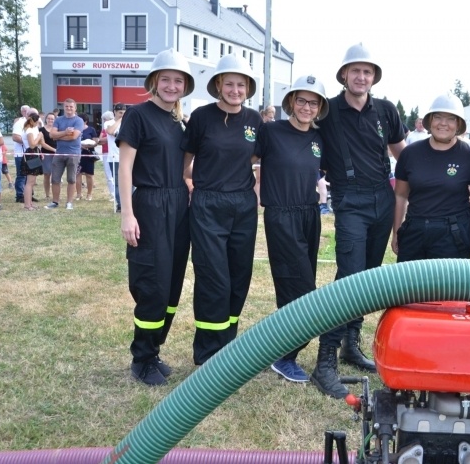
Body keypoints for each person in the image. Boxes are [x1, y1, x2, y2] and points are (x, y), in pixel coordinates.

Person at [311, 43, 405, 399]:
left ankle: (351, 344)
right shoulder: (327, 110)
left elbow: (403, 158)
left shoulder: (385, 110)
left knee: (368, 279)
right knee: (348, 279)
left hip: (382, 196)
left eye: (368, 72)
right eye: (356, 71)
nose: (361, 77)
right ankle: (325, 362)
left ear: (373, 78)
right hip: (349, 200)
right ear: (344, 75)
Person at [117, 49, 194, 386]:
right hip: (149, 204)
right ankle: (141, 359)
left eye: (178, 80)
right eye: (165, 79)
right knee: (152, 284)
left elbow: (184, 167)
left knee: (172, 285)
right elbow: (125, 167)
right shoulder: (137, 115)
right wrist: (128, 215)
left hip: (179, 205)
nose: (171, 85)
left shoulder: (180, 122)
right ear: (154, 82)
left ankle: (155, 350)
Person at [182, 53, 261, 366]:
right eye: (229, 83)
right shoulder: (202, 117)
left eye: (241, 84)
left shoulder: (255, 121)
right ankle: (207, 354)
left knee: (239, 276)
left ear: (248, 88)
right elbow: (185, 158)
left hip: (243, 206)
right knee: (214, 278)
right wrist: (187, 183)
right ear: (218, 84)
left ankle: (228, 348)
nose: (235, 90)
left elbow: (261, 158)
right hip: (208, 205)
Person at [255, 75, 328, 383]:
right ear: (290, 103)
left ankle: (281, 348)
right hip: (281, 215)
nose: (306, 107)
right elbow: (240, 158)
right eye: (301, 100)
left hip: (310, 214)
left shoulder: (319, 138)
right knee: (298, 288)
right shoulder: (271, 131)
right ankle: (284, 355)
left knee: (303, 282)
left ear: (320, 107)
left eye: (313, 102)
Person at [391, 93, 470, 262]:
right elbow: (401, 194)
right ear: (429, 121)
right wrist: (396, 231)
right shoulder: (411, 153)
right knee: (409, 286)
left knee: (448, 287)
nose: (443, 123)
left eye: (451, 119)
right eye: (438, 117)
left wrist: (464, 202)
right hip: (414, 230)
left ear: (459, 124)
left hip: (453, 233)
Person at [46, 99, 84, 210]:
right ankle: (55, 202)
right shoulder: (58, 120)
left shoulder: (79, 121)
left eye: (71, 107)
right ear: (64, 107)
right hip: (59, 153)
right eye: (66, 106)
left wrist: (59, 135)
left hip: (73, 154)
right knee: (55, 179)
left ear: (75, 108)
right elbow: (52, 135)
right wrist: (65, 132)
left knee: (71, 179)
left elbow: (74, 137)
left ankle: (69, 203)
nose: (68, 109)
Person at [104, 104, 125, 212]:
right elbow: (110, 131)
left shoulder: (128, 123)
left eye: (124, 112)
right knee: (118, 183)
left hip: (127, 157)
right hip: (114, 157)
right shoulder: (109, 123)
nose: (122, 114)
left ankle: (130, 204)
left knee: (131, 182)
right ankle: (120, 204)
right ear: (115, 112)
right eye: (120, 112)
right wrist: (120, 120)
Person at [21, 112, 45, 210]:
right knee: (29, 182)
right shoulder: (29, 131)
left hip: (35, 154)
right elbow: (32, 145)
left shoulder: (33, 129)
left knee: (32, 181)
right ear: (35, 121)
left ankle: (30, 203)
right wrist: (39, 136)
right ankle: (27, 204)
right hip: (31, 155)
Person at [77, 114, 98, 201]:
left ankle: (89, 194)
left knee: (89, 174)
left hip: (89, 154)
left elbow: (96, 141)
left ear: (85, 121)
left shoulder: (91, 129)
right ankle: (78, 194)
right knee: (77, 174)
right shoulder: (76, 129)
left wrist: (89, 145)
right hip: (78, 154)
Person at [11, 105, 30, 203]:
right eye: (25, 111)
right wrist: (28, 142)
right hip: (21, 153)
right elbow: (15, 137)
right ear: (22, 112)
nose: (28, 113)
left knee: (31, 175)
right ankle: (20, 195)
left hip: (32, 153)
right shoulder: (19, 123)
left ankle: (29, 194)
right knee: (22, 175)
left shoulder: (34, 123)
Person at [40, 113, 57, 200]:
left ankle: (56, 195)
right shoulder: (41, 130)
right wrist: (54, 150)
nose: (50, 120)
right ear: (46, 119)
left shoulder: (57, 129)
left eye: (52, 119)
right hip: (46, 154)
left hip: (57, 155)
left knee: (56, 175)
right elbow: (42, 143)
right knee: (47, 174)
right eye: (49, 118)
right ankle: (47, 195)